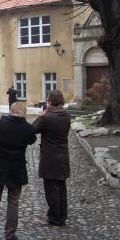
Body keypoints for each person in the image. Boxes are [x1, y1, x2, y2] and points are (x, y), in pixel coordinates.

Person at [0, 102, 36, 240]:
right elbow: (32, 140)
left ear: (10, 111)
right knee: (13, 201)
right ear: (24, 113)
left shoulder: (0, 124)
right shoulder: (28, 128)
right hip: (17, 168)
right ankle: (10, 234)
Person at [32, 90, 71, 227]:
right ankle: (62, 216)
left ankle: (54, 218)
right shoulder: (66, 115)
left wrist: (40, 115)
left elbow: (33, 129)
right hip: (63, 155)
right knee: (61, 187)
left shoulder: (47, 117)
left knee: (51, 189)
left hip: (50, 157)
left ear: (50, 102)